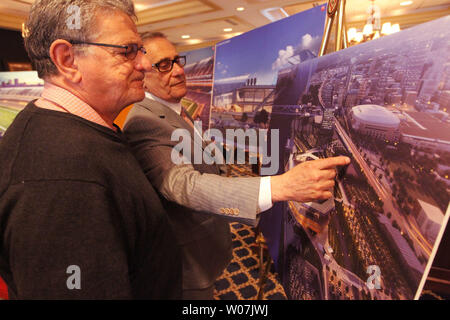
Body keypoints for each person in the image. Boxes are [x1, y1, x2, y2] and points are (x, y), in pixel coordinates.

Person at [123, 32, 350, 299]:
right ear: (141, 73)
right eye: (164, 65)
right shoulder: (143, 122)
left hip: (206, 250)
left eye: (177, 60)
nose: (179, 71)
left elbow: (203, 163)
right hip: (184, 267)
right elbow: (185, 185)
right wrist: (279, 185)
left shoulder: (175, 108)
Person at [0, 1, 181, 299]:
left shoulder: (74, 136)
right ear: (67, 60)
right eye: (126, 51)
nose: (143, 64)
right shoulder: (59, 179)